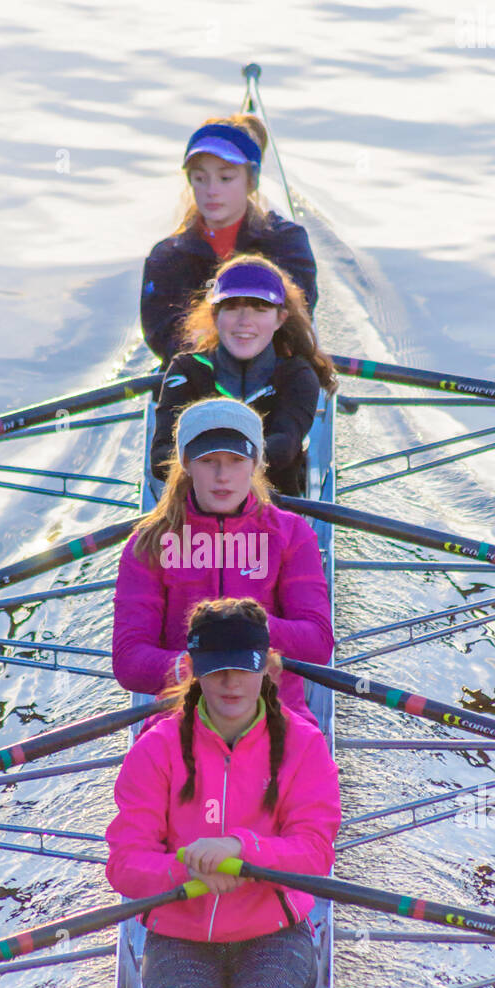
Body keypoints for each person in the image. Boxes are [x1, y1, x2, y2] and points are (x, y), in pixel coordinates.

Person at [106, 598, 340, 988]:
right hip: (179, 937)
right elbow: (123, 863)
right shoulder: (156, 750)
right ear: (192, 671)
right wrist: (183, 869)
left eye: (245, 665)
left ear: (269, 668)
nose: (232, 682)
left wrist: (243, 850)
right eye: (216, 668)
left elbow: (315, 855)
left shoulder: (305, 747)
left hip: (274, 935)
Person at [112, 397, 332, 724]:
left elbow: (318, 643)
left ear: (256, 463)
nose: (222, 476)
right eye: (208, 460)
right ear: (186, 462)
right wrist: (197, 664)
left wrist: (253, 630)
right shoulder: (148, 544)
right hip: (181, 715)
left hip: (277, 714)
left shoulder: (291, 534)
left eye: (235, 460)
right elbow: (129, 661)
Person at [140, 114, 318, 369]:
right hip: (198, 375)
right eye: (200, 178)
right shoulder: (166, 256)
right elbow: (161, 334)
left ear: (250, 181)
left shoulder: (287, 241)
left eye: (225, 178)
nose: (211, 190)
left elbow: (297, 315)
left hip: (275, 372)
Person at [150, 254, 337, 495]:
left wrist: (215, 464)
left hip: (273, 511)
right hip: (195, 510)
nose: (245, 322)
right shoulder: (187, 370)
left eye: (260, 309)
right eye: (232, 308)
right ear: (216, 316)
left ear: (280, 319)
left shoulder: (297, 374)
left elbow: (283, 447)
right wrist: (225, 468)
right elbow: (160, 456)